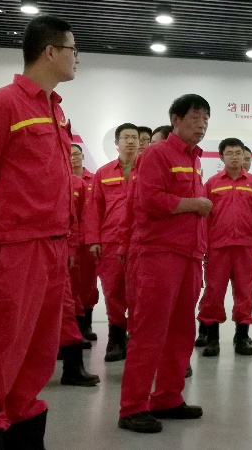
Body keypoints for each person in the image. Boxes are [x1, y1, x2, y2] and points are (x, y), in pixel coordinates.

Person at [0, 15, 78, 449]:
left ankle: (23, 421)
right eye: (73, 50)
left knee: (39, 349)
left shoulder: (54, 110)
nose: (77, 59)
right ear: (50, 52)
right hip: (12, 248)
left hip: (52, 246)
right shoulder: (0, 105)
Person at [118, 94, 213, 434]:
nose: (201, 125)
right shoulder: (157, 154)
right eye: (195, 118)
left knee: (182, 331)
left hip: (189, 255)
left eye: (206, 119)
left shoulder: (195, 159)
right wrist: (194, 204)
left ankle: (168, 398)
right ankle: (132, 407)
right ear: (176, 120)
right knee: (150, 331)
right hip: (159, 254)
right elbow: (149, 201)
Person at [197, 138, 252, 356]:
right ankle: (212, 339)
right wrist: (203, 245)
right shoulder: (212, 183)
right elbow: (204, 218)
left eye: (238, 153)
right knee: (214, 292)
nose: (234, 157)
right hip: (218, 246)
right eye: (229, 153)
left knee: (245, 292)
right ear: (221, 157)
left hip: (245, 246)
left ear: (244, 156)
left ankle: (242, 336)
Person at [89, 123, 141, 362]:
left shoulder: (148, 170)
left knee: (140, 292)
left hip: (140, 241)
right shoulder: (104, 173)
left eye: (134, 137)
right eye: (126, 137)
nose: (130, 141)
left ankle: (138, 338)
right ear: (117, 143)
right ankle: (116, 339)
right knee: (113, 291)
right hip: (110, 240)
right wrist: (93, 240)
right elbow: (94, 208)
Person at [57, 162, 100, 388]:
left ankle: (73, 367)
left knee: (67, 305)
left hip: (60, 248)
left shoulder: (76, 184)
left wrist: (72, 249)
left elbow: (77, 220)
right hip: (27, 246)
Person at [68, 144, 99, 345]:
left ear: (82, 156)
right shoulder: (63, 180)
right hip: (69, 241)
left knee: (88, 283)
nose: (74, 158)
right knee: (70, 285)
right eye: (70, 155)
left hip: (88, 240)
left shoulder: (94, 179)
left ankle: (86, 325)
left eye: (77, 154)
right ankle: (72, 326)